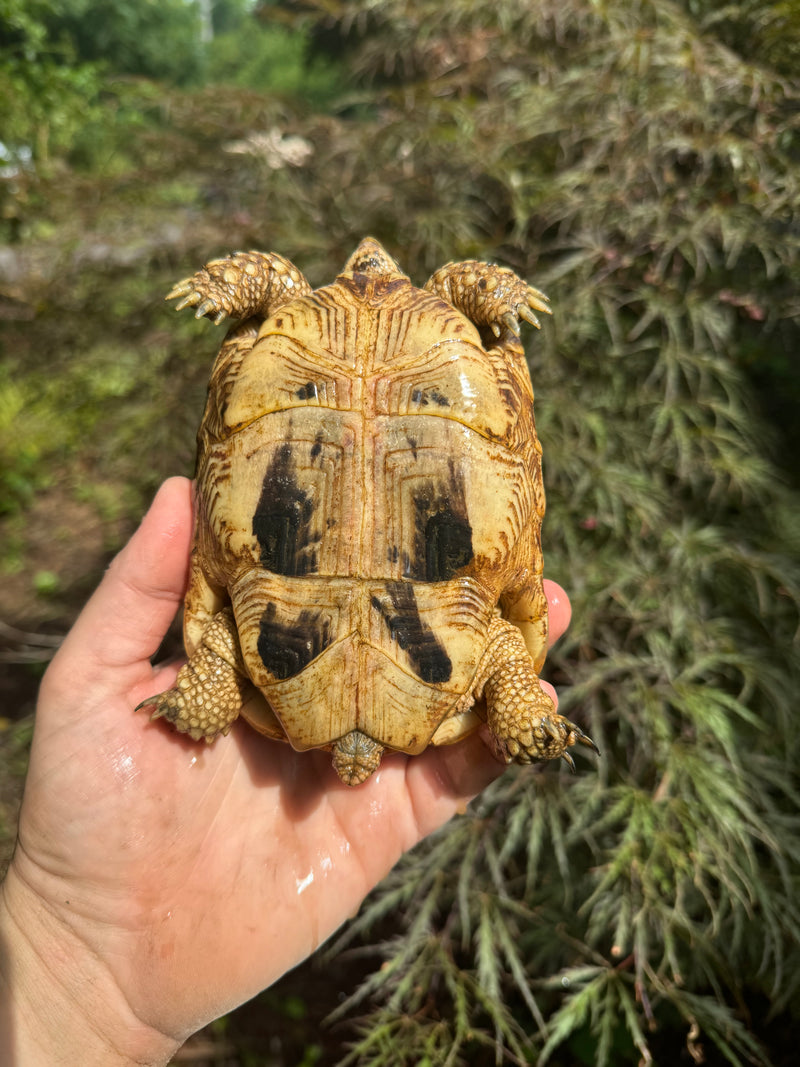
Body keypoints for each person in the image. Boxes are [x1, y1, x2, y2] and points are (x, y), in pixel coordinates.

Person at [0, 477, 572, 1066]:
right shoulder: (472, 652)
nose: (352, 770)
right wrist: (521, 714)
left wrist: (74, 985)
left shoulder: (255, 645)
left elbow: (226, 631)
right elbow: (503, 643)